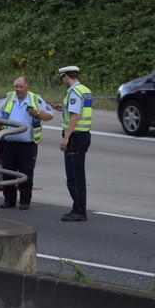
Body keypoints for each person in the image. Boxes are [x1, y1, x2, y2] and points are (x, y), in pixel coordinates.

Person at [0, 75, 53, 211]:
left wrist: (37, 113)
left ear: (27, 87)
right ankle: (9, 200)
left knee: (26, 173)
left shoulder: (35, 99)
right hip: (10, 143)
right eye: (16, 86)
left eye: (21, 87)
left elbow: (50, 115)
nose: (18, 89)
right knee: (8, 172)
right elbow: (0, 117)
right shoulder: (9, 98)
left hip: (27, 145)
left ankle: (25, 201)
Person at [58, 65, 92, 221]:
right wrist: (61, 107)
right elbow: (77, 110)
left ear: (66, 77)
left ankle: (78, 211)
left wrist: (66, 137)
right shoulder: (84, 90)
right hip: (83, 135)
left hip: (75, 137)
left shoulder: (74, 92)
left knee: (73, 177)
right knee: (78, 174)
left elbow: (75, 115)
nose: (63, 81)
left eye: (63, 78)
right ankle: (79, 209)